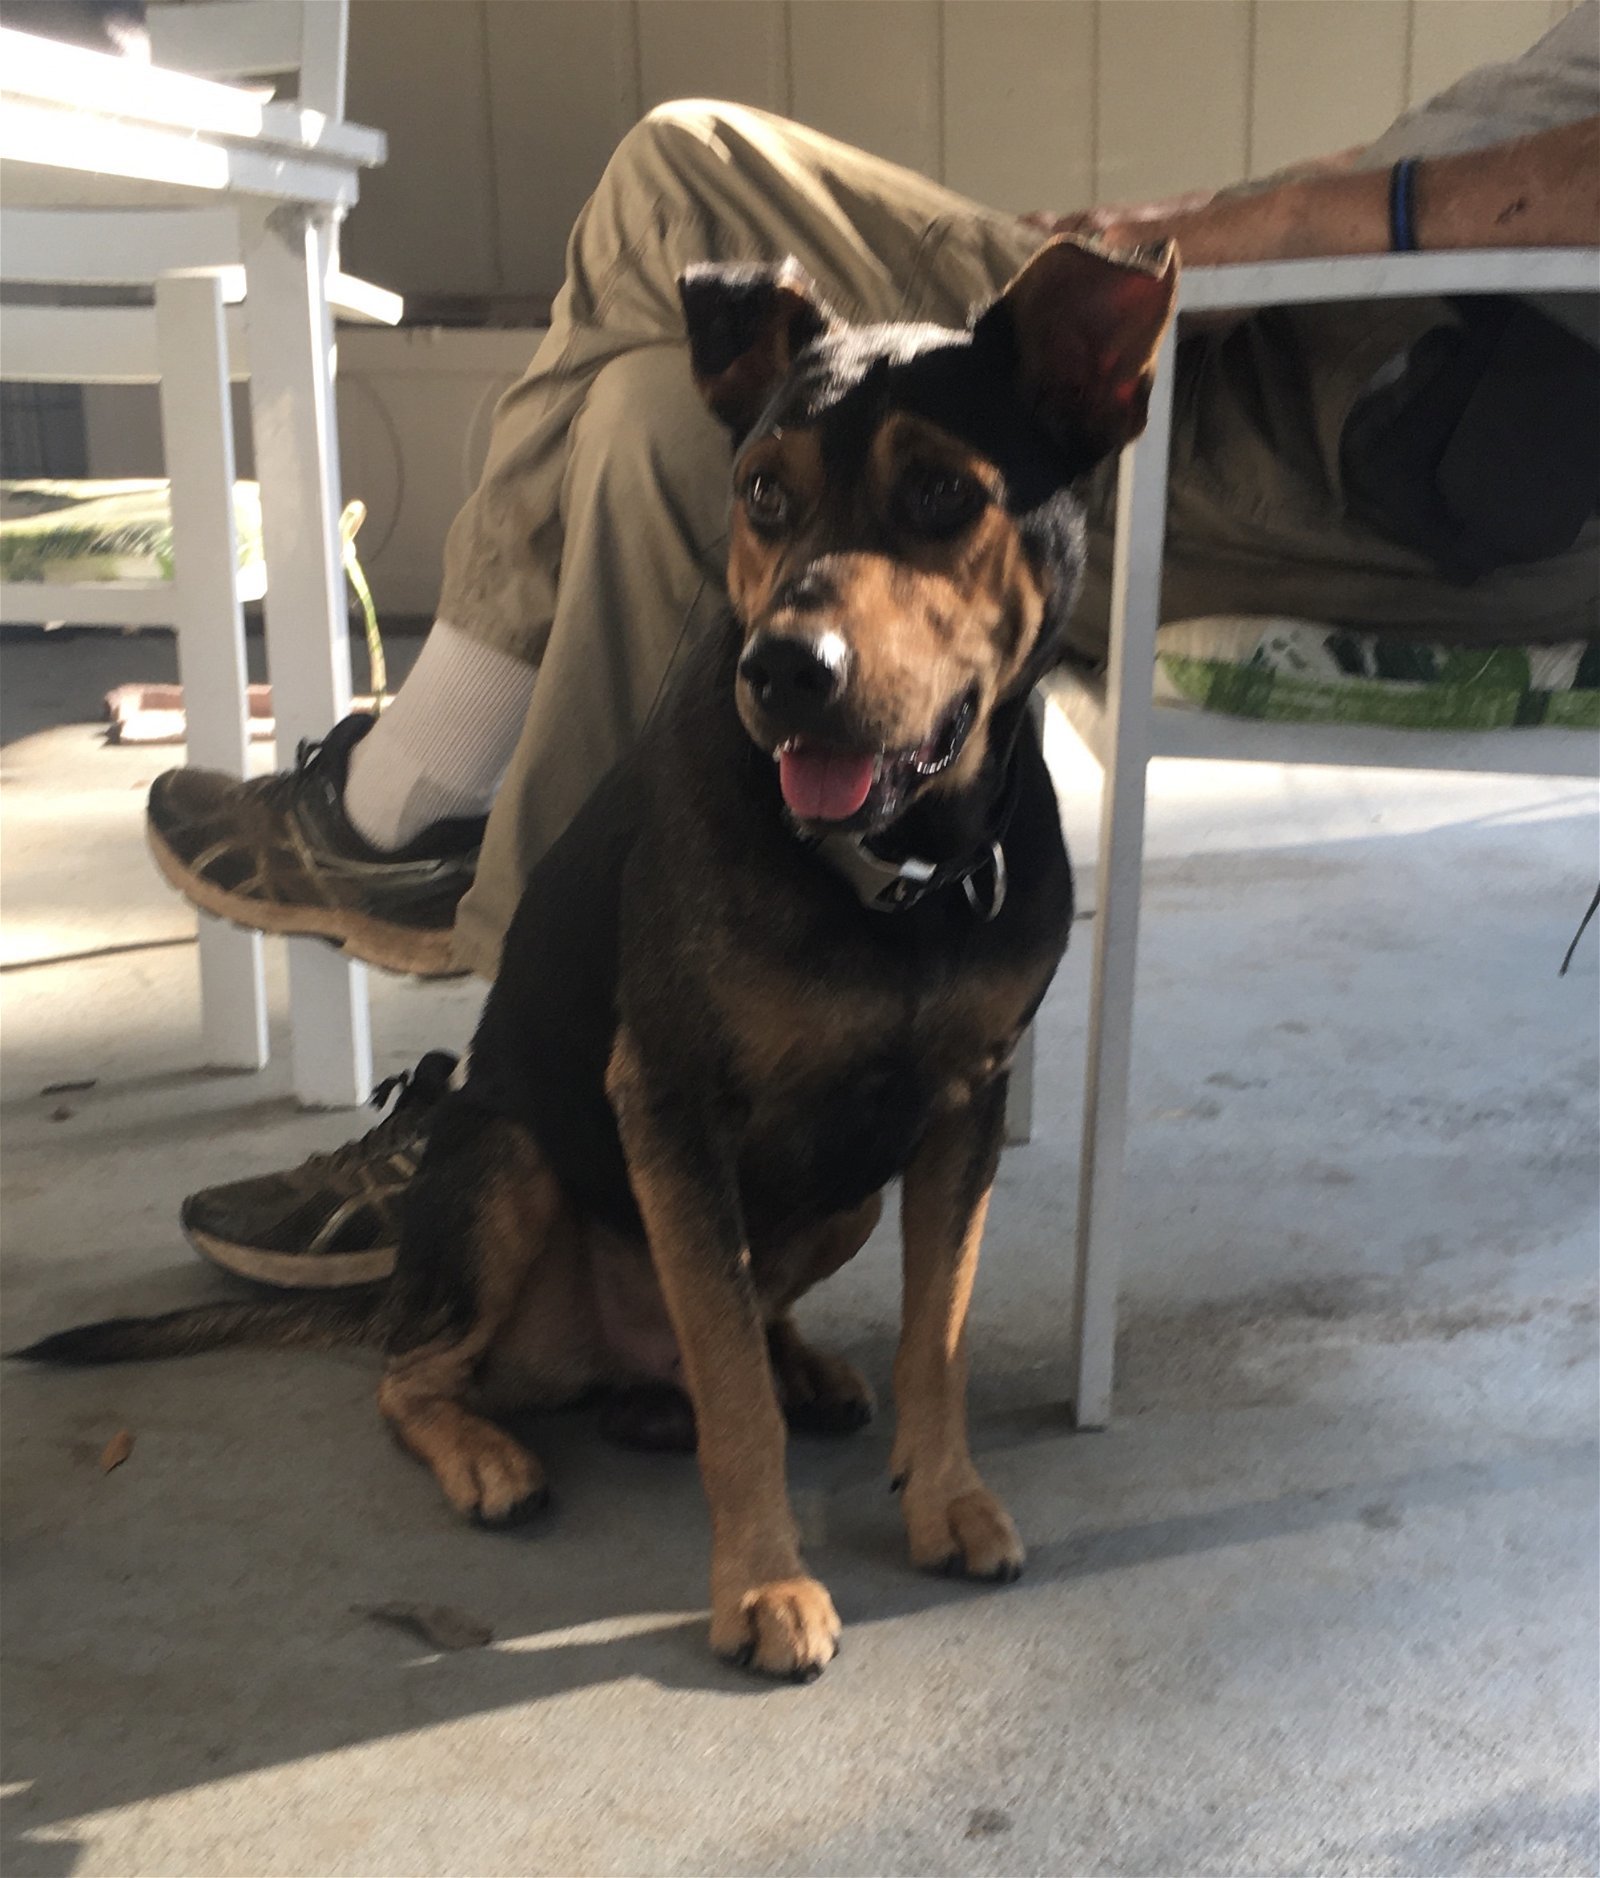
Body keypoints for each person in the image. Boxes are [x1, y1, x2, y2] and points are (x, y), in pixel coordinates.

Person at [153, 5, 1599, 1290]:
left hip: (1395, 416)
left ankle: (401, 806)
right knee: (659, 424)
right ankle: (514, 1103)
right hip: (1342, 354)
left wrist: (1233, 231)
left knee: (684, 156)